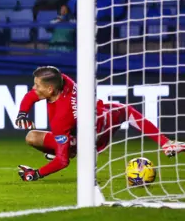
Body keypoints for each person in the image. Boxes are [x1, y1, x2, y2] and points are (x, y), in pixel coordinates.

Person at [15, 66, 185, 181]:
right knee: (126, 111)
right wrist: (22, 113)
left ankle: (72, 148)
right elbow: (32, 95)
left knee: (50, 146)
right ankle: (166, 143)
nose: (34, 88)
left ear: (50, 90)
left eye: (37, 85)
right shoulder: (64, 81)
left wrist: (37, 174)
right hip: (102, 118)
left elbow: (62, 161)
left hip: (95, 132)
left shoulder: (61, 118)